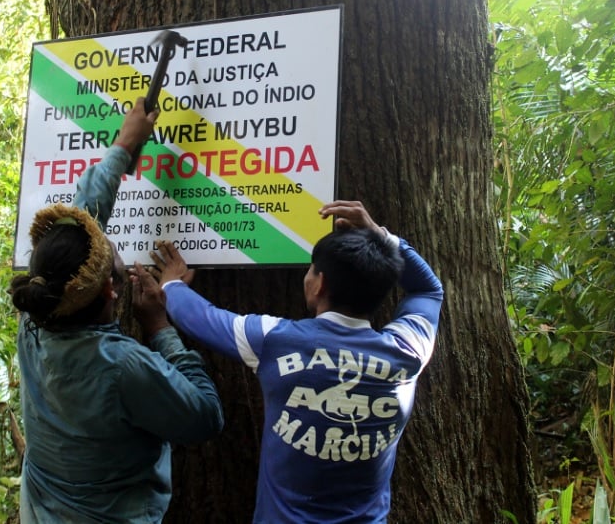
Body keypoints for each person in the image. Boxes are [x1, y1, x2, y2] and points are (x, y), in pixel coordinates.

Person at [135, 200, 443, 523]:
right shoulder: (408, 351)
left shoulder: (275, 341)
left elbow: (203, 318)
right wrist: (384, 238)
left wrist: (170, 284)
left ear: (319, 284)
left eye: (310, 270)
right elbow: (428, 290)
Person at [9, 98, 224, 523]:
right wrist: (161, 326)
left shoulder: (35, 316)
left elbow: (82, 227)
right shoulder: (122, 367)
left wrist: (125, 146)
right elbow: (205, 416)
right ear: (111, 290)